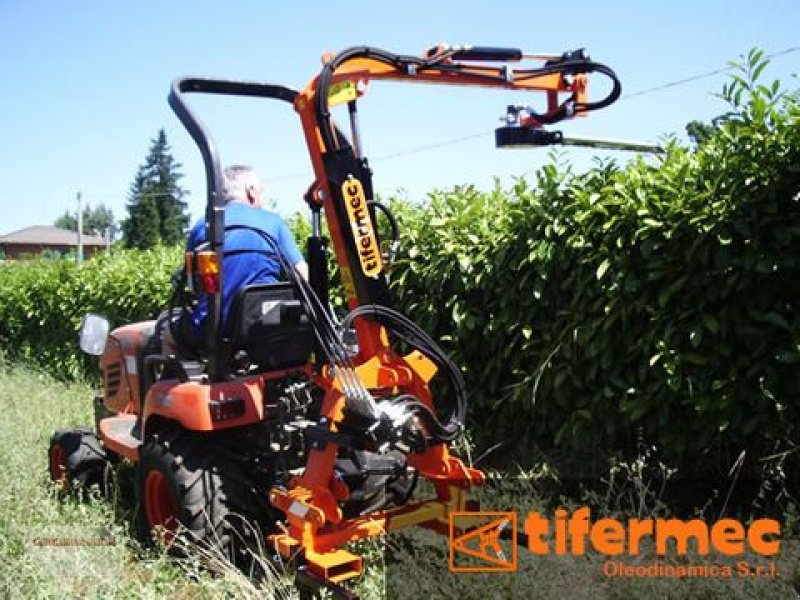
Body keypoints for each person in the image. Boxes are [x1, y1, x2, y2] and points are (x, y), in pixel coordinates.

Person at [163, 165, 307, 356]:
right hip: (265, 322)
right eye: (261, 190)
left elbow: (193, 285)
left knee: (167, 334)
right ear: (251, 191)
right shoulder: (274, 223)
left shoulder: (202, 226)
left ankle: (168, 382)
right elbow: (302, 274)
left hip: (213, 327)